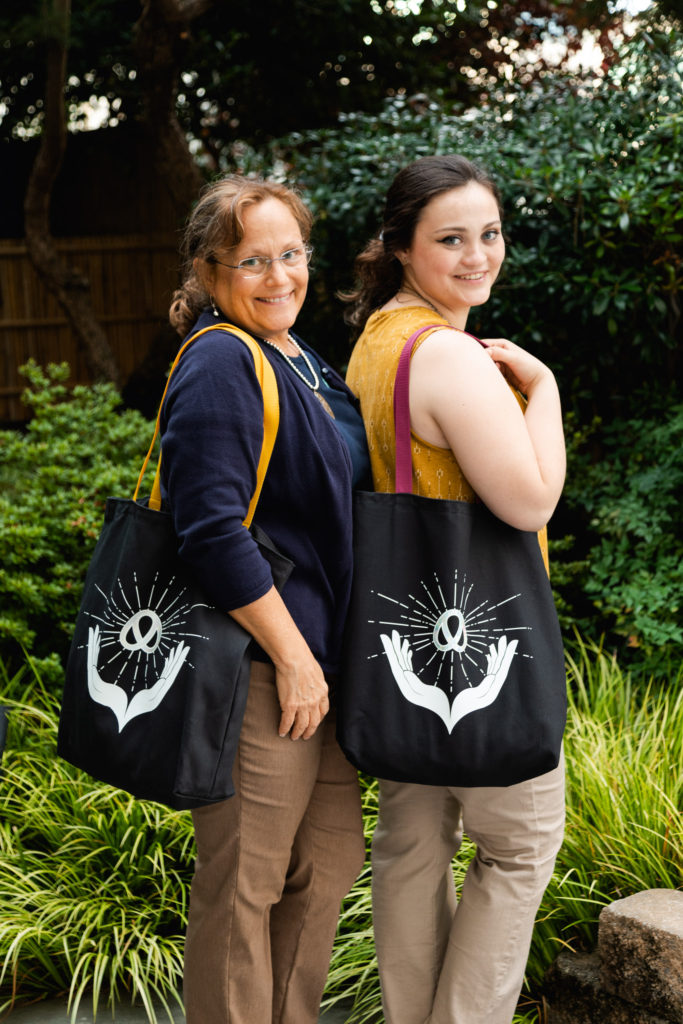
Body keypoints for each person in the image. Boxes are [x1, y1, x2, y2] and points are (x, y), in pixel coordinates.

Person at [344, 154, 566, 1024]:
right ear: (400, 246)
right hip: (486, 647)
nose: (478, 256)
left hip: (407, 649)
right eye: (451, 239)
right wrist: (541, 389)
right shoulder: (450, 358)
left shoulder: (375, 344)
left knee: (409, 846)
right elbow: (529, 497)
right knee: (517, 847)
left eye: (489, 233)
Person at [161, 175, 368, 1024]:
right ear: (212, 272)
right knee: (244, 886)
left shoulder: (300, 356)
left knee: (323, 871)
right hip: (262, 669)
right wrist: (291, 658)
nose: (278, 275)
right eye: (253, 260)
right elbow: (209, 530)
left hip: (322, 668)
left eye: (290, 254)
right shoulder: (221, 358)